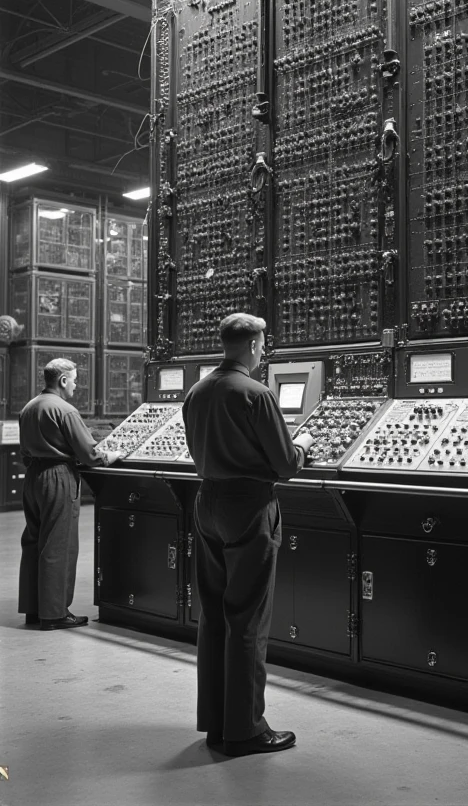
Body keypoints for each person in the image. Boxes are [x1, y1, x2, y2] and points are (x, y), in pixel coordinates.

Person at [182, 313, 314, 757]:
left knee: (215, 614)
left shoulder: (197, 391)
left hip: (207, 504)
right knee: (248, 620)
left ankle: (217, 723)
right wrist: (306, 444)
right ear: (256, 346)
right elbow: (286, 465)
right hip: (249, 508)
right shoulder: (256, 394)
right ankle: (246, 729)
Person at [18, 358, 121, 631]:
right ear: (63, 380)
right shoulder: (65, 410)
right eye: (74, 380)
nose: (76, 386)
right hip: (58, 477)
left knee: (33, 542)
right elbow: (89, 453)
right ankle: (54, 614)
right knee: (58, 544)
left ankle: (33, 609)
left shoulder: (29, 408)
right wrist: (113, 455)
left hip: (33, 478)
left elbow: (24, 451)